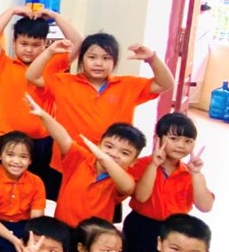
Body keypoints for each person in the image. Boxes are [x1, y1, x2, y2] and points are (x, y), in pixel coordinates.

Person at [26, 32, 174, 174]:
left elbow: (165, 84)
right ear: (82, 59)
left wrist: (152, 59)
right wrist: (49, 52)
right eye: (92, 57)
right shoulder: (63, 82)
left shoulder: (127, 85)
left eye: (106, 58)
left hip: (111, 164)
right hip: (69, 162)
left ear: (114, 61)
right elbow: (32, 76)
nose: (98, 63)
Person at [0, 6, 82, 200]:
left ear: (45, 44)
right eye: (24, 43)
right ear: (14, 42)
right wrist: (12, 11)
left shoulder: (53, 65)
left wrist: (54, 15)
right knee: (2, 192)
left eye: (36, 44)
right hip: (9, 139)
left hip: (43, 143)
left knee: (39, 193)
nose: (29, 49)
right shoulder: (4, 64)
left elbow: (78, 41)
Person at [26, 94, 142, 227]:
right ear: (98, 144)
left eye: (124, 153)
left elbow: (127, 188)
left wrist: (104, 157)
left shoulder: (122, 178)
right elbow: (63, 138)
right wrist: (43, 115)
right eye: (109, 146)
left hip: (95, 235)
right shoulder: (81, 158)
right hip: (63, 228)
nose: (114, 154)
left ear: (133, 162)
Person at [124, 112, 214, 252]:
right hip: (141, 225)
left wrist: (196, 174)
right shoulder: (141, 164)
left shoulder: (190, 173)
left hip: (176, 231)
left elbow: (205, 206)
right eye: (174, 139)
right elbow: (141, 197)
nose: (181, 145)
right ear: (158, 139)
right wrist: (154, 165)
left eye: (188, 141)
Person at [0, 131, 46, 252]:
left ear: (30, 160)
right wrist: (14, 240)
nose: (16, 161)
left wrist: (29, 240)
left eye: (23, 156)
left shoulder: (36, 182)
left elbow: (36, 220)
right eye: (10, 155)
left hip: (25, 226)